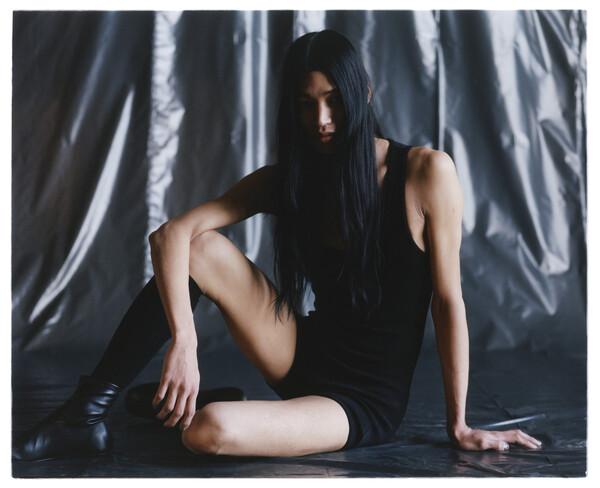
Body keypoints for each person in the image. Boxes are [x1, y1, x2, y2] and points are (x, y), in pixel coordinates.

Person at [13, 29, 542, 461]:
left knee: (208, 431)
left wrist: (459, 424)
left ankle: (184, 405)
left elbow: (448, 302)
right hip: (300, 354)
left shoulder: (426, 173)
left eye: (333, 100)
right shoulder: (289, 180)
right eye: (307, 104)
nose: (322, 120)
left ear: (364, 93)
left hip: (360, 401)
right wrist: (185, 341)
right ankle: (85, 414)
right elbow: (170, 235)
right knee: (200, 248)